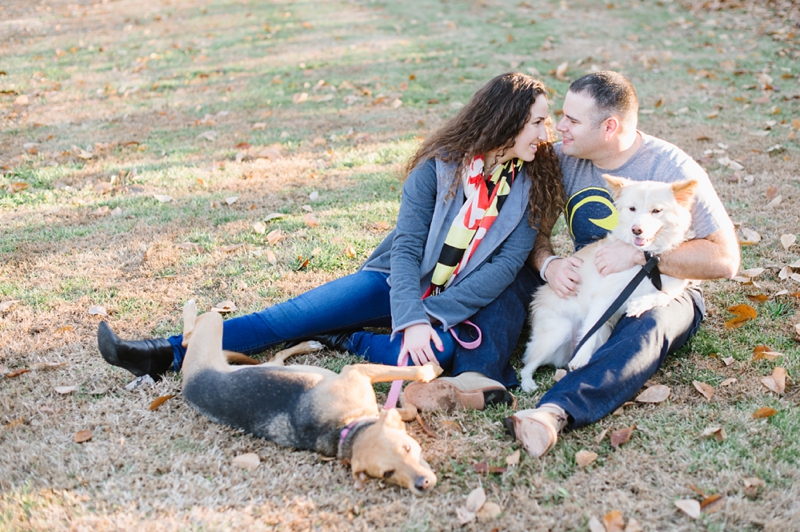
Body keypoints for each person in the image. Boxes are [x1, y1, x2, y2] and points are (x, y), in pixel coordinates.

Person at [97, 72, 565, 410]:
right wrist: (410, 316)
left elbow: (505, 268)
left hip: (454, 300)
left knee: (438, 354)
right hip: (392, 280)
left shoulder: (533, 187)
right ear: (505, 122)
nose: (545, 135)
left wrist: (433, 317)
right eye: (537, 123)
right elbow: (405, 250)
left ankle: (348, 338)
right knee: (286, 318)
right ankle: (165, 352)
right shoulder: (437, 170)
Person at [505, 71, 740, 457]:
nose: (558, 127)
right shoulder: (564, 157)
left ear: (609, 127)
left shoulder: (671, 169)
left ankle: (554, 412)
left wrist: (640, 255)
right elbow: (534, 233)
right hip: (590, 278)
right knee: (508, 277)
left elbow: (725, 258)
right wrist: (548, 263)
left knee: (646, 328)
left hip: (664, 287)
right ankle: (477, 376)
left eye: (572, 120)